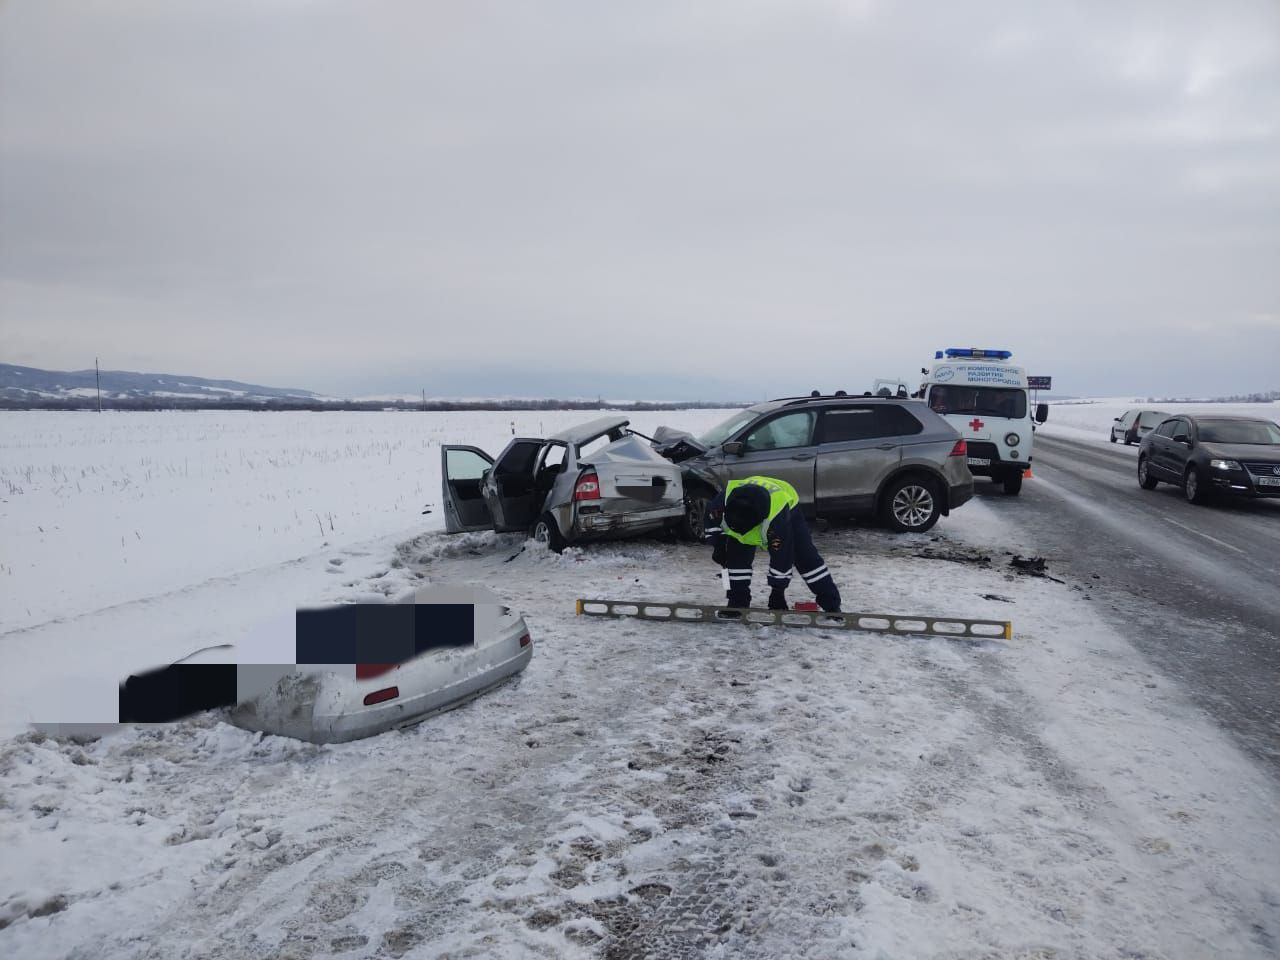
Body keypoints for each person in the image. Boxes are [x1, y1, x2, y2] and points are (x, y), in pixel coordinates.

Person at [703, 476, 841, 612]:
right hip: (747, 504)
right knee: (735, 561)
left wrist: (778, 592)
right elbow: (710, 520)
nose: (743, 536)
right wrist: (718, 545)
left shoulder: (777, 520)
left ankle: (831, 605)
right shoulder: (721, 503)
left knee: (805, 557)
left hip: (788, 505)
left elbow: (782, 557)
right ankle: (737, 602)